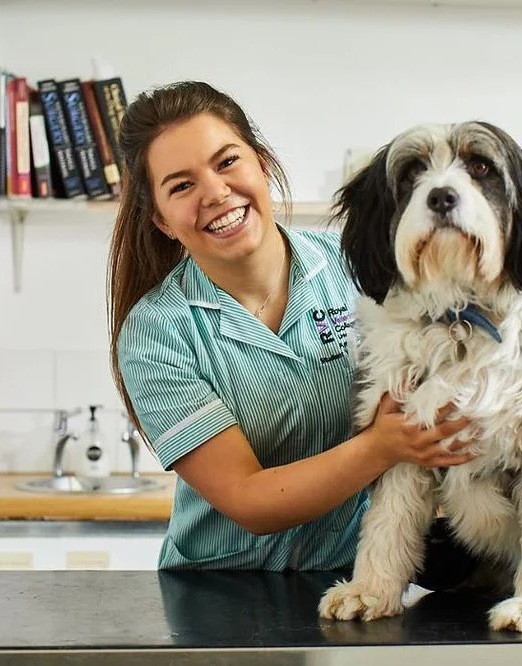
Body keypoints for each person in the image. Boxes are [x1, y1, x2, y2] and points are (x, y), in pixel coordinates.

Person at [107, 81, 477, 586]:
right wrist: (383, 447)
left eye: (226, 162)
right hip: (218, 590)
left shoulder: (354, 267)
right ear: (162, 220)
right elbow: (248, 500)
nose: (215, 193)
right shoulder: (157, 333)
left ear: (261, 163)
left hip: (358, 579)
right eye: (182, 186)